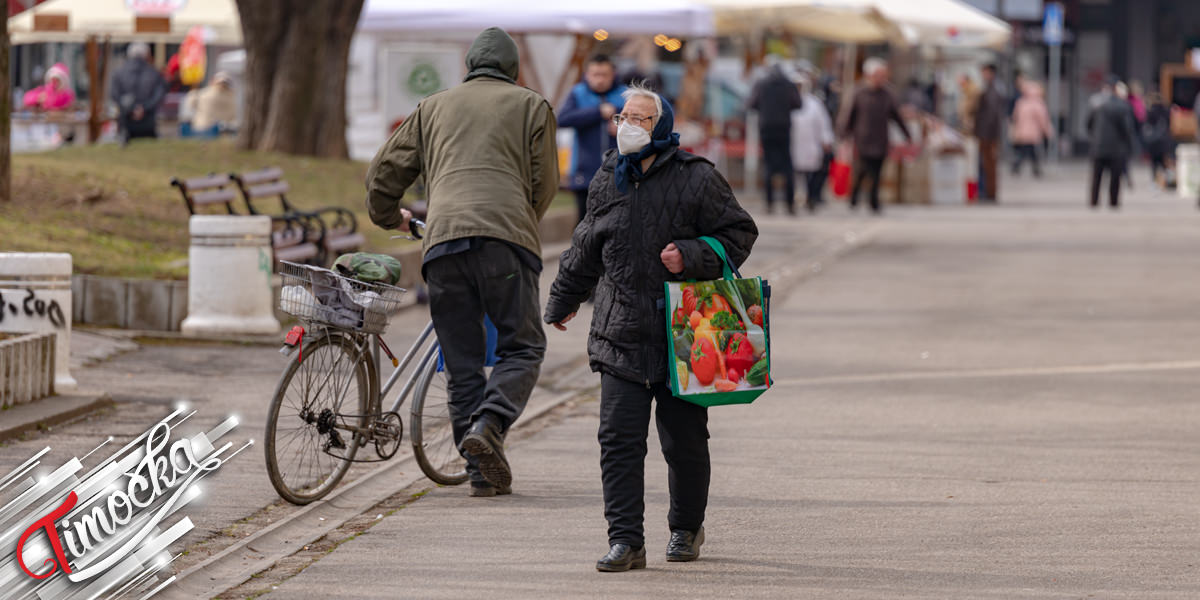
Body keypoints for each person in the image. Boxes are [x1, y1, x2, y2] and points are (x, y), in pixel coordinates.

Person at [544, 84, 757, 573]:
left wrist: (691, 255)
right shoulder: (605, 179)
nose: (627, 125)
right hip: (619, 330)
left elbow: (739, 233)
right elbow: (584, 246)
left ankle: (685, 528)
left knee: (683, 442)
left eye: (639, 118)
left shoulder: (697, 178)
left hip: (685, 334)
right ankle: (626, 540)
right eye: (623, 116)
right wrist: (562, 299)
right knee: (618, 441)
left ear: (659, 127)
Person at [366, 27, 558, 497]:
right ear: (513, 71)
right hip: (506, 243)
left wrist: (389, 215)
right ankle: (490, 425)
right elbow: (545, 182)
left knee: (462, 361)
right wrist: (519, 223)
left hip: (443, 244)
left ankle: (479, 475)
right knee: (523, 347)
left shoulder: (432, 106)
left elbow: (385, 172)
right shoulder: (532, 105)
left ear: (469, 67)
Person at [558, 55, 628, 223]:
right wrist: (597, 112)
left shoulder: (624, 94)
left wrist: (619, 122)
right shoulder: (578, 93)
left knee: (615, 223)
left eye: (604, 75)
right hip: (585, 171)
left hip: (618, 171)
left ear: (613, 74)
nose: (600, 80)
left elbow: (632, 118)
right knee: (584, 222)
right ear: (587, 74)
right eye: (595, 74)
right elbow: (562, 119)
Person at [840, 57, 912, 215]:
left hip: (880, 139)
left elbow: (896, 116)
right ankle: (854, 198)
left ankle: (874, 202)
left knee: (877, 172)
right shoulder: (858, 92)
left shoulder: (887, 94)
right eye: (879, 75)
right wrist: (844, 135)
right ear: (870, 75)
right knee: (860, 171)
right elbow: (849, 116)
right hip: (862, 139)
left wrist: (907, 135)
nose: (882, 78)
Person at [748, 58, 803, 214]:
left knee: (769, 166)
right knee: (787, 166)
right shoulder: (788, 84)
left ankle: (769, 203)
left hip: (766, 128)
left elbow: (751, 103)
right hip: (784, 128)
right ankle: (790, 203)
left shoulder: (762, 84)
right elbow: (798, 104)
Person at [1086, 77, 1137, 209]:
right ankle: (1113, 202)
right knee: (1115, 177)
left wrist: (1095, 137)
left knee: (1097, 176)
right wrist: (1130, 145)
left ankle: (1094, 201)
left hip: (1098, 146)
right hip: (1117, 147)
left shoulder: (1096, 105)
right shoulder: (1122, 106)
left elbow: (1089, 125)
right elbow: (1127, 128)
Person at [790, 71, 835, 212]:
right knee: (793, 175)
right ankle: (794, 199)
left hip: (810, 145)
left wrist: (826, 140)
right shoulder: (787, 103)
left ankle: (811, 198)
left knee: (811, 174)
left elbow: (824, 124)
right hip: (793, 145)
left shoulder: (814, 104)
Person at [109, 42, 167, 144]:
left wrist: (130, 109)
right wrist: (144, 108)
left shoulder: (118, 73)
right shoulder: (154, 73)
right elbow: (159, 95)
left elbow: (114, 95)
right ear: (146, 55)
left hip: (126, 122)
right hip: (148, 123)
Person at [974, 63, 1006, 203]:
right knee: (988, 164)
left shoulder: (992, 90)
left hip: (988, 135)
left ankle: (990, 192)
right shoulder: (992, 89)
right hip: (988, 133)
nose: (983, 75)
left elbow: (992, 115)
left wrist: (985, 134)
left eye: (985, 72)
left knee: (989, 164)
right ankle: (988, 191)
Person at [1009, 80, 1052, 177]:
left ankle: (1021, 167)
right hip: (1033, 133)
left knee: (1026, 151)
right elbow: (1043, 120)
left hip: (1022, 132)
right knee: (1031, 152)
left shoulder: (1021, 103)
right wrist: (1047, 131)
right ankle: (1033, 169)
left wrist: (1016, 131)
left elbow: (1015, 118)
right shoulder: (1038, 103)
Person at [1143, 92, 1172, 185]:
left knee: (1154, 163)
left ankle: (1154, 183)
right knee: (1164, 162)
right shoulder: (1166, 111)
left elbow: (1147, 125)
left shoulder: (1150, 111)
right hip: (1164, 140)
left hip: (1153, 142)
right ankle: (1167, 180)